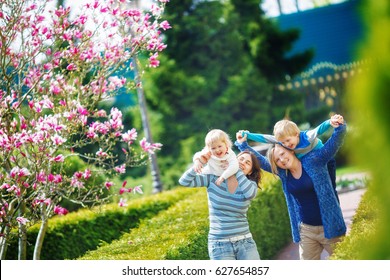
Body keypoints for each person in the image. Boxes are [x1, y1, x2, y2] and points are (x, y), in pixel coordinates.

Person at [235, 117, 347, 260]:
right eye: (277, 160)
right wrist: (243, 144)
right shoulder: (283, 172)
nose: (281, 160)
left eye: (282, 154)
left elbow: (333, 145)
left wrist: (339, 127)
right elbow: (260, 161)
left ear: (291, 151)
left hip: (330, 227)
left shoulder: (315, 160)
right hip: (307, 231)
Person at [179, 150, 262, 260]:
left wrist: (236, 169)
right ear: (233, 160)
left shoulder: (250, 185)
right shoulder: (213, 178)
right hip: (219, 245)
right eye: (241, 159)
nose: (243, 163)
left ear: (250, 172)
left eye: (248, 163)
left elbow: (250, 194)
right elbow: (184, 181)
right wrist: (199, 163)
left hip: (245, 243)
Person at [241, 114, 343, 199]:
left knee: (330, 189)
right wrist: (248, 135)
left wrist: (330, 121)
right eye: (283, 142)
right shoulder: (283, 140)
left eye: (288, 140)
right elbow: (265, 138)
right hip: (308, 164)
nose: (286, 144)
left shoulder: (306, 137)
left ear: (296, 134)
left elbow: (319, 129)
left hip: (325, 160)